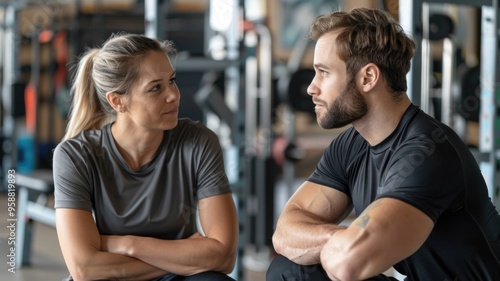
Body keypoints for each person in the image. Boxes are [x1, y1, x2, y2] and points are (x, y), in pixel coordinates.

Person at [267, 8, 500, 281]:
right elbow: (285, 233)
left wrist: (339, 243)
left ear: (368, 78)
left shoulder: (427, 152)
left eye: (323, 73)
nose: (311, 87)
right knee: (289, 271)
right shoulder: (351, 145)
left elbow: (348, 264)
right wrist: (344, 236)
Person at [53, 33, 238, 281]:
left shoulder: (198, 141)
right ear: (118, 101)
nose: (173, 95)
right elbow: (85, 269)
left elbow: (223, 256)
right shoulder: (75, 155)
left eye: (172, 81)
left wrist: (130, 245)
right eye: (155, 88)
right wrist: (185, 258)